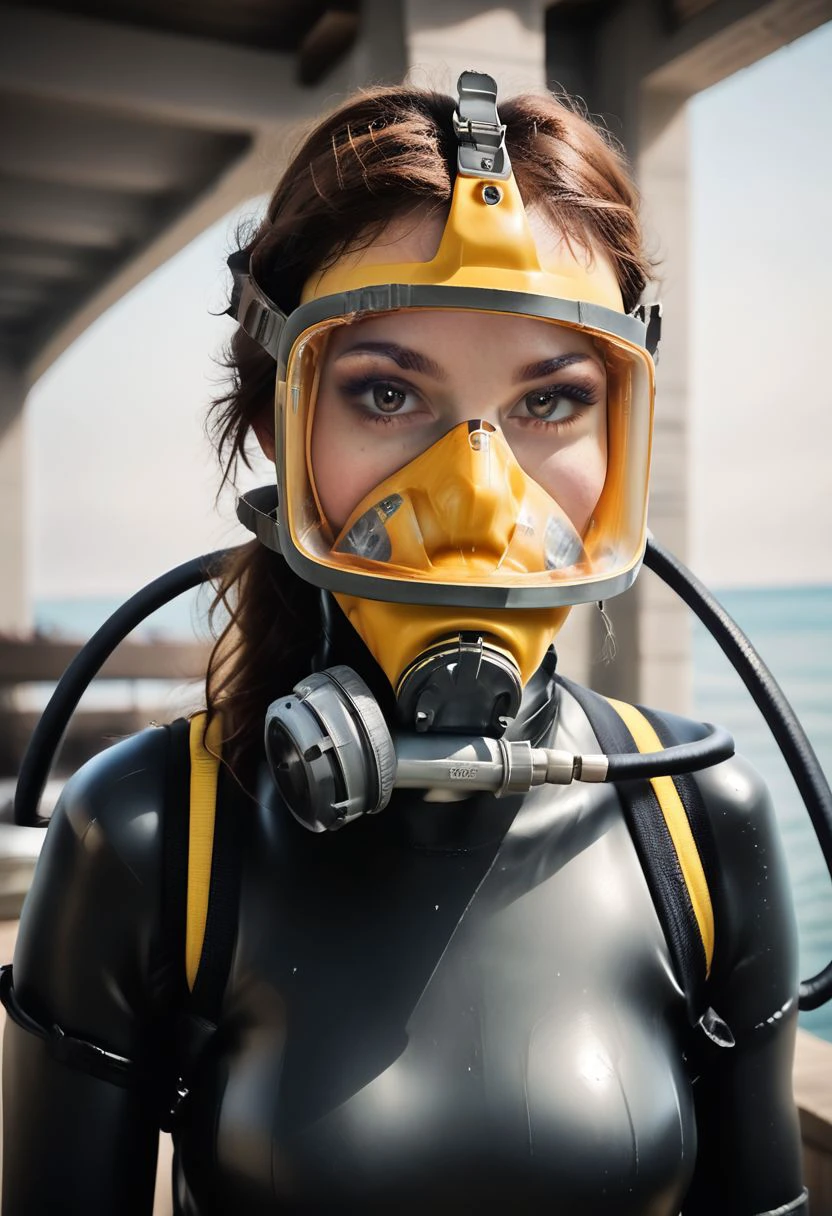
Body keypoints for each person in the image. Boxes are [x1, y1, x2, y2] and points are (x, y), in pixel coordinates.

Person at [1, 73, 808, 1215]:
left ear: (621, 434)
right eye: (386, 392)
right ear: (281, 420)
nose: (478, 495)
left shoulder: (696, 827)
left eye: (550, 400)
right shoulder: (148, 839)